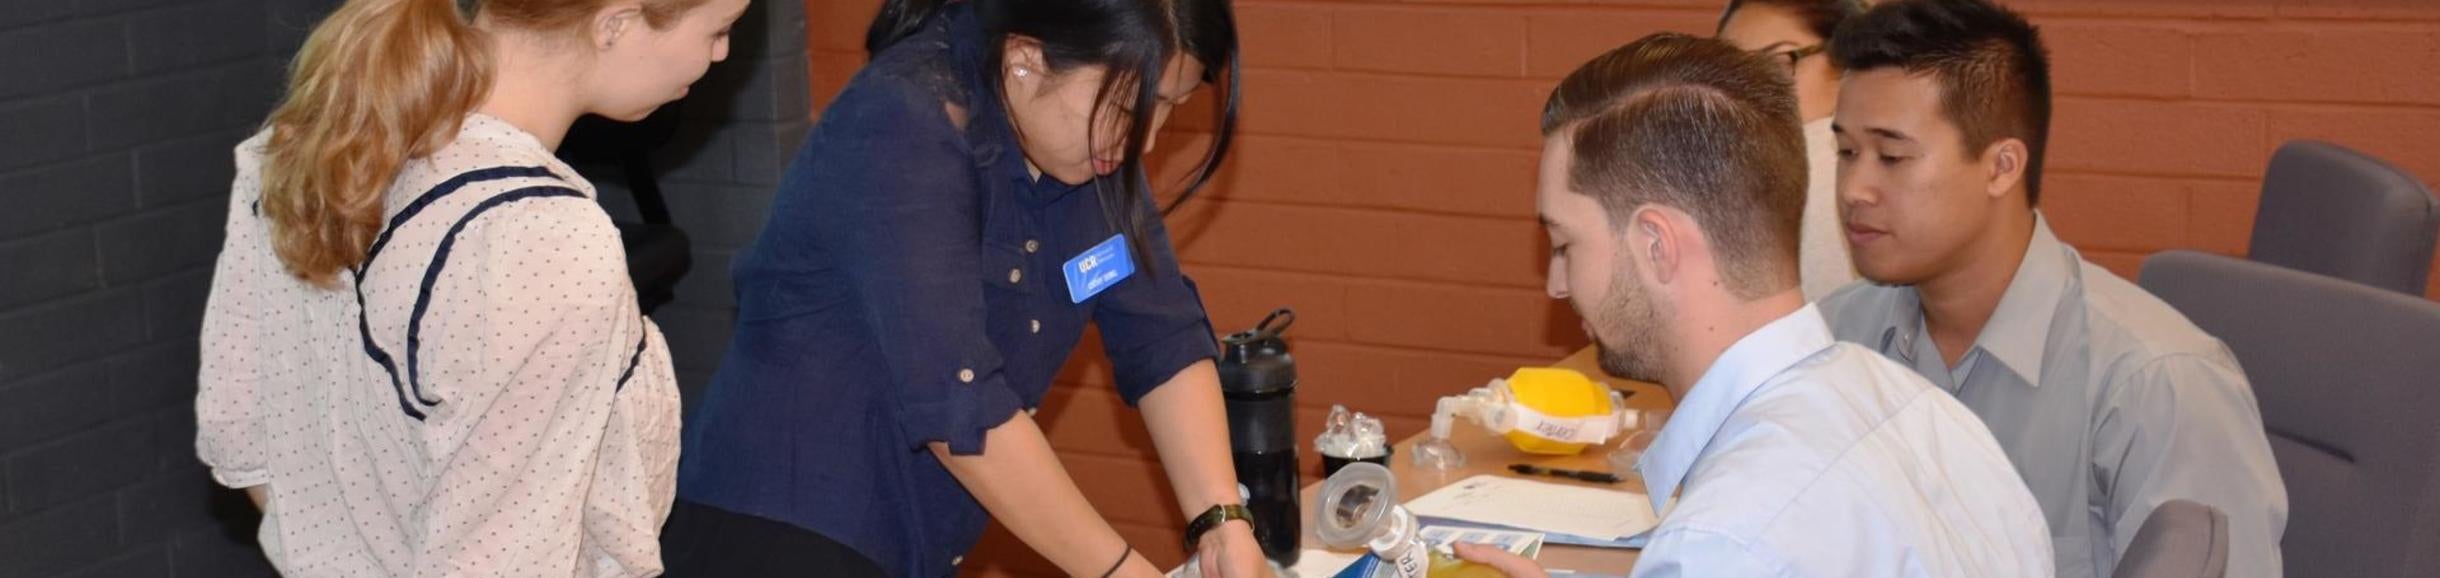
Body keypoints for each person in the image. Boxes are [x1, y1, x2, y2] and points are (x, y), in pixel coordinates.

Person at [662, 0, 1266, 576]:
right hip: (779, 531)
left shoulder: (1092, 148)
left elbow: (1162, 336)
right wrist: (1120, 571)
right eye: (1132, 107)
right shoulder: (904, 122)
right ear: (1026, 58)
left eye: (1171, 107)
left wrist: (1223, 521)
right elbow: (963, 402)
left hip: (911, 545)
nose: (1148, 140)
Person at [1454, 33, 2052, 578]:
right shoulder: (1926, 412)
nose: (1557, 284)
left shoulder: (1723, 544)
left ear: (1656, 245)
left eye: (1565, 245)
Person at [194, 0, 745, 574]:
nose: (721, 54)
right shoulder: (545, 243)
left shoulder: (306, 149)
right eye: (719, 29)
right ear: (616, 23)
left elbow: (251, 446)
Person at [1817, 1, 2288, 577]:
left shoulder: (2155, 384)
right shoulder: (1834, 338)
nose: (1854, 188)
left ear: (2002, 167)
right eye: (1846, 152)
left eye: (1892, 156)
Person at [1551, 0, 1862, 377]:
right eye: (1730, 78)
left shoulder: (1818, 164)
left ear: (1847, 65)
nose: (1748, 97)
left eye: (1777, 65)